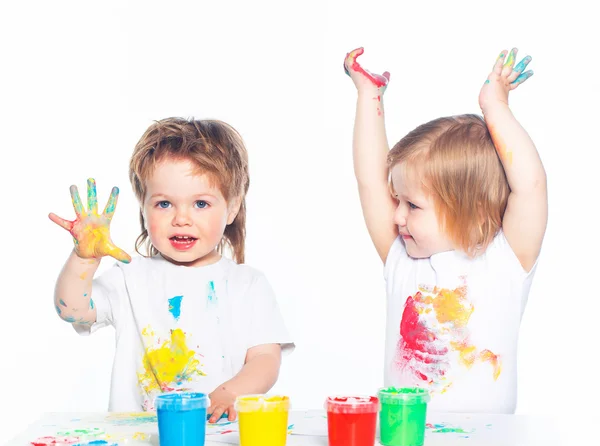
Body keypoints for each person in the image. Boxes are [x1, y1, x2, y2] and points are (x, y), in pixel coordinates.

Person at [49, 118, 294, 421]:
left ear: (231, 207)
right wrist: (84, 259)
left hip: (217, 439)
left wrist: (231, 392)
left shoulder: (247, 284)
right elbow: (72, 309)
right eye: (164, 204)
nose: (181, 218)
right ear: (143, 206)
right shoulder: (130, 278)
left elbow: (265, 359)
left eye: (201, 204)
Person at [344, 47, 546, 413]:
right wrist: (367, 95)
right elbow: (371, 182)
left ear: (471, 211)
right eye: (397, 200)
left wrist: (494, 105)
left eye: (413, 205)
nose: (397, 216)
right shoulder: (403, 261)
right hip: (407, 443)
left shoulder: (506, 261)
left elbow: (530, 185)